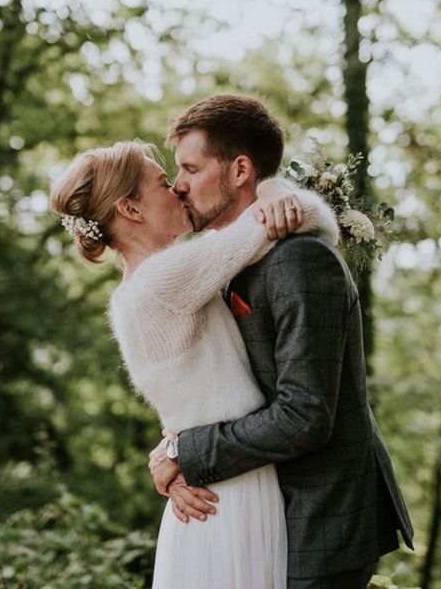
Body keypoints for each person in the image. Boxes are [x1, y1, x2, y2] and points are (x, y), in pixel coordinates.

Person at [147, 94, 415, 589]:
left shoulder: (299, 261)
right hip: (262, 503)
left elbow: (305, 414)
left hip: (322, 515)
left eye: (190, 168)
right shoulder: (226, 257)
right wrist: (170, 453)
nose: (179, 185)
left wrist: (189, 453)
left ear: (240, 170)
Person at [50, 138, 340, 588]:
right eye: (164, 183)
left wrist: (172, 452)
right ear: (131, 209)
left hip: (209, 481)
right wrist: (273, 192)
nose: (180, 190)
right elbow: (307, 217)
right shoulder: (166, 277)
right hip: (233, 487)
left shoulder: (132, 294)